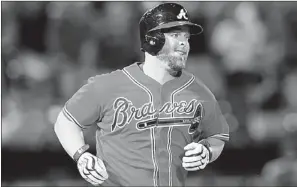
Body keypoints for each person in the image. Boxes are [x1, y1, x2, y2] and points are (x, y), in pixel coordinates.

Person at [54, 3, 229, 186]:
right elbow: (65, 122)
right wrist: (81, 154)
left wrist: (207, 151)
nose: (184, 43)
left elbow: (218, 135)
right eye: (175, 36)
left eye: (186, 37)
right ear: (152, 39)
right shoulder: (108, 86)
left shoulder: (198, 91)